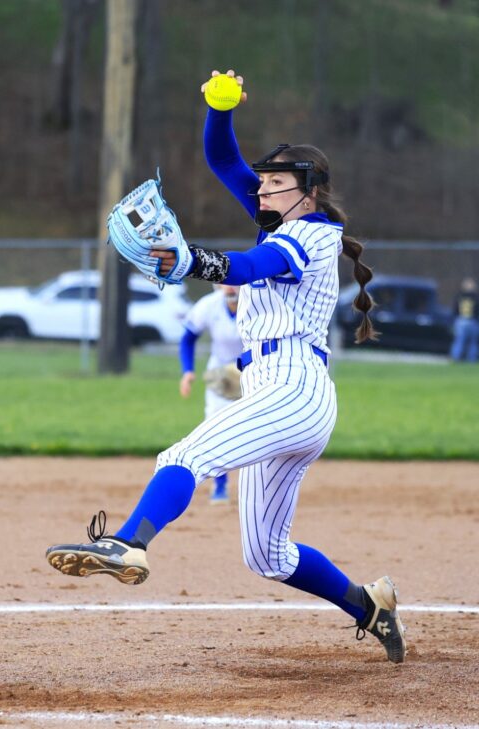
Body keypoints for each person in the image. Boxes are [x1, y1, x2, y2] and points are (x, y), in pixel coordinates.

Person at [47, 70, 408, 664]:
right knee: (267, 555)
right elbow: (221, 159)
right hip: (276, 392)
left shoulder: (315, 234)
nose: (262, 191)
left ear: (309, 193)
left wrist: (190, 260)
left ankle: (129, 543)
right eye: (262, 183)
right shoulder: (281, 219)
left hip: (294, 388)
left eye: (276, 183)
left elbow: (249, 266)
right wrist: (220, 108)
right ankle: (370, 606)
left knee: (184, 456)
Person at [178, 284, 244, 503]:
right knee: (215, 429)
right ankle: (220, 485)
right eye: (225, 282)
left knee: (258, 428)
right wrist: (188, 371)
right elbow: (188, 338)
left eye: (234, 281)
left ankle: (261, 485)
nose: (230, 287)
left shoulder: (258, 301)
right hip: (221, 372)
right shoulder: (209, 305)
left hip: (253, 369)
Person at [450, 277, 479, 362]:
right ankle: (471, 359)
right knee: (471, 342)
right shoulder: (476, 297)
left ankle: (456, 357)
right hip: (471, 320)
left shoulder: (459, 296)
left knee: (460, 341)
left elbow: (455, 309)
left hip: (461, 320)